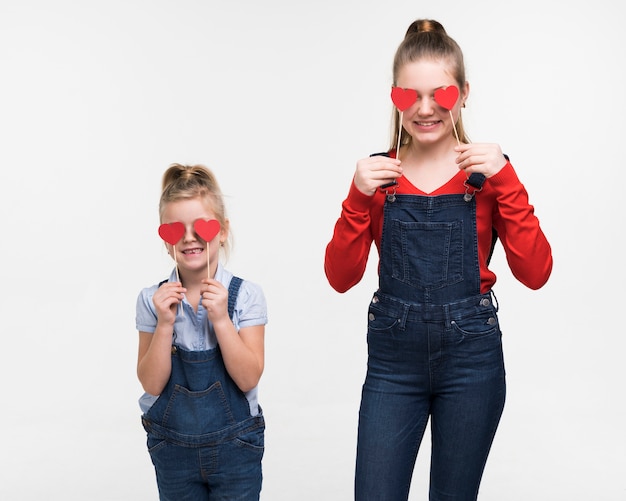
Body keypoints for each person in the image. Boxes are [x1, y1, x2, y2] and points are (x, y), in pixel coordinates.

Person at [324, 19, 552, 501]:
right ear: (394, 97)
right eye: (410, 96)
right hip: (393, 362)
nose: (425, 109)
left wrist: (507, 181)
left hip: (472, 360)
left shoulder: (488, 174)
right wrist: (356, 197)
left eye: (441, 94)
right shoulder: (378, 175)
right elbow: (341, 278)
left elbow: (536, 273)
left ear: (464, 93)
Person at [136, 163, 267, 500]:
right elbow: (151, 383)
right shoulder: (152, 300)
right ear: (165, 239)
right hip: (173, 451)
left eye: (202, 227)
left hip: (236, 448)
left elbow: (248, 378)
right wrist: (165, 324)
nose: (189, 237)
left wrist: (222, 320)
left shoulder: (246, 296)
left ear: (222, 231)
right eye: (175, 229)